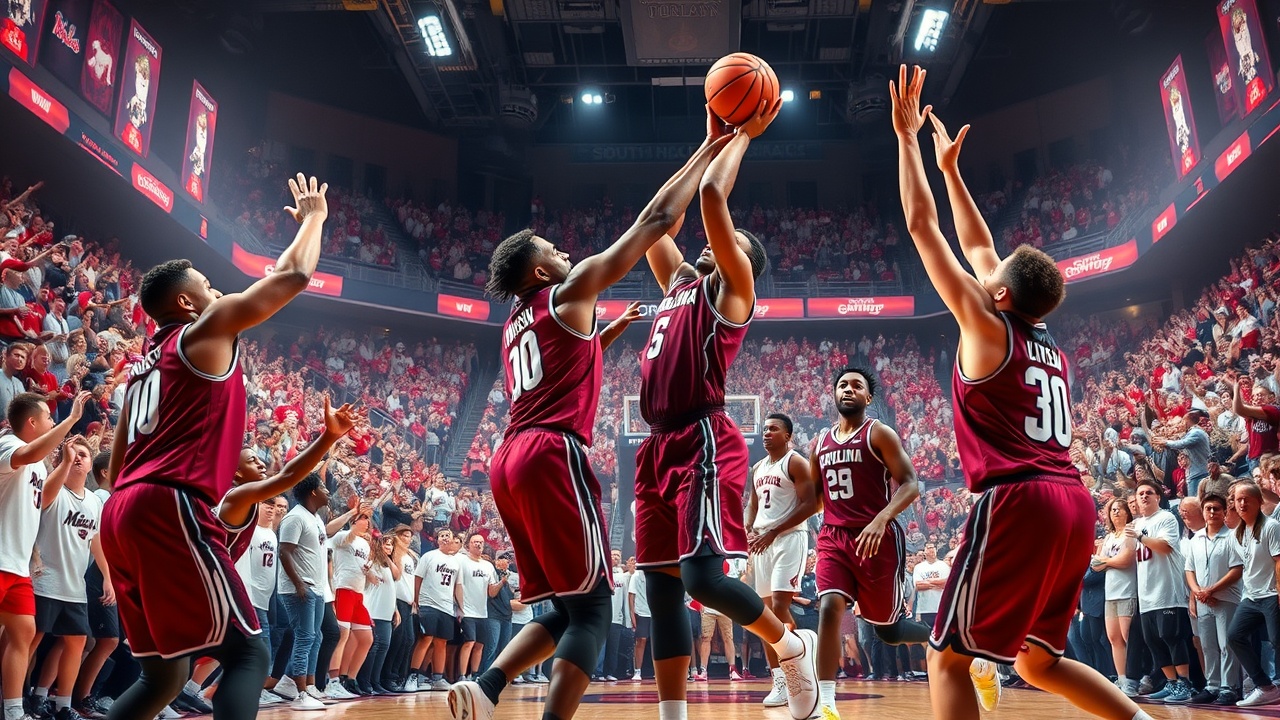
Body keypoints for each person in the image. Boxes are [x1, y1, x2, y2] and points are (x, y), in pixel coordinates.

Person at [447, 118, 734, 720]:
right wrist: (709, 145)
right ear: (540, 273)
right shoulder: (569, 290)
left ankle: (487, 686)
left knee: (566, 605)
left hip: (507, 458)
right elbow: (657, 221)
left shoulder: (516, 322)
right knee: (596, 612)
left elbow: (560, 367)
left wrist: (608, 334)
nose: (565, 253)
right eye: (553, 252)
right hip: (550, 453)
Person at [890, 65, 1147, 720]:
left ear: (999, 292)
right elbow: (978, 243)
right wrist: (951, 172)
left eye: (992, 273)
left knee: (946, 659)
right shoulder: (1040, 333)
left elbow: (922, 227)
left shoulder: (986, 327)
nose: (984, 266)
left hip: (1020, 499)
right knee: (1038, 660)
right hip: (1073, 502)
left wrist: (905, 139)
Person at [99, 173, 329, 720]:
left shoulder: (141, 369)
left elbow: (114, 468)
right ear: (187, 302)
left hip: (121, 511)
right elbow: (294, 275)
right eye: (207, 284)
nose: (218, 290)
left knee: (164, 675)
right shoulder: (203, 330)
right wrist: (315, 217)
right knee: (248, 652)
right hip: (168, 503)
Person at [635, 100, 819, 720]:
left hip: (703, 438)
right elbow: (654, 224)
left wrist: (740, 136)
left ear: (741, 261)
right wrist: (705, 144)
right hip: (656, 443)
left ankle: (790, 645)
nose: (711, 244)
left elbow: (713, 198)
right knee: (662, 590)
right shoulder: (679, 283)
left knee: (703, 580)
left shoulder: (734, 292)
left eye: (727, 242)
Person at [810, 367, 931, 719]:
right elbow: (816, 500)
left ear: (868, 396)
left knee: (889, 632)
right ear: (834, 394)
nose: (848, 389)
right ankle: (826, 703)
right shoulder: (820, 442)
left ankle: (943, 635)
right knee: (829, 607)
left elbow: (910, 483)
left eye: (856, 385)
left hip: (876, 539)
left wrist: (882, 518)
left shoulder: (879, 433)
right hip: (834, 537)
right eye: (842, 385)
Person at [0, 391, 89, 720]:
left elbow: (44, 500)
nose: (53, 422)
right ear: (32, 422)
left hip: (18, 566)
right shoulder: (8, 444)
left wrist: (64, 463)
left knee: (23, 633)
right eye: (49, 418)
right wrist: (72, 418)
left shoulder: (37, 463)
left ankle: (13, 711)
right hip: (1, 559)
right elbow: (29, 453)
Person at [29, 436, 108, 720]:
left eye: (83, 455)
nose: (77, 458)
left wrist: (107, 577)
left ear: (90, 464)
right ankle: (23, 698)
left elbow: (96, 541)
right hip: (44, 581)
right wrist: (64, 459)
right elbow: (46, 497)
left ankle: (63, 705)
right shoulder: (53, 489)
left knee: (77, 644)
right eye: (72, 454)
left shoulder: (94, 502)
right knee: (29, 643)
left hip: (75, 587)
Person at [745, 413, 817, 706]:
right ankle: (780, 680)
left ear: (788, 436)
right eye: (765, 429)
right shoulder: (758, 467)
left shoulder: (796, 462)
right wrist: (749, 528)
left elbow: (811, 504)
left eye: (773, 429)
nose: (766, 433)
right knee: (764, 615)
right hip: (763, 541)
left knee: (778, 606)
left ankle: (798, 671)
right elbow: (752, 505)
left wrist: (774, 531)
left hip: (789, 538)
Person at [1128, 479, 1193, 702]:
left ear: (1158, 497)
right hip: (1146, 593)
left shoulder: (1166, 518)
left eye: (1149, 492)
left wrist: (1139, 536)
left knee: (1172, 637)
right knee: (1153, 641)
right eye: (1140, 494)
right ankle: (1171, 683)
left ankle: (1185, 684)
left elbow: (1164, 547)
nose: (1144, 496)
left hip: (1167, 590)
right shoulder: (1136, 524)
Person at [1184, 493, 1242, 705]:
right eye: (1208, 508)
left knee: (1226, 644)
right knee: (1208, 645)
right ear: (1202, 512)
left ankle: (1229, 687)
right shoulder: (1196, 539)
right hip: (1203, 600)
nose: (1212, 512)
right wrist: (1198, 591)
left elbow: (1237, 569)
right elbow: (1189, 569)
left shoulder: (1232, 537)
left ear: (1224, 511)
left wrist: (1211, 590)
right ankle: (1212, 686)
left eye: (1216, 508)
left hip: (1226, 598)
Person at [1227, 482, 1280, 707]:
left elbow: (1279, 561)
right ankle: (1266, 687)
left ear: (1259, 501)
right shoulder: (1236, 534)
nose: (1242, 503)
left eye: (1246, 499)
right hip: (1250, 597)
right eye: (1238, 499)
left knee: (1277, 640)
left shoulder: (1271, 526)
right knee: (1234, 636)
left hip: (1272, 594)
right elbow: (1243, 567)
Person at [1091, 497, 1138, 695]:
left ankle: (1135, 679)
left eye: (1120, 509)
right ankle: (1122, 678)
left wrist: (1106, 561)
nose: (1116, 512)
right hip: (1110, 594)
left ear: (1128, 512)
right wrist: (1110, 561)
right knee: (1114, 638)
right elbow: (1095, 565)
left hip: (1128, 591)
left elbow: (1126, 560)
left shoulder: (1130, 532)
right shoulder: (1109, 537)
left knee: (1129, 637)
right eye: (1113, 510)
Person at [411, 527, 463, 692]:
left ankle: (437, 679)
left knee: (442, 642)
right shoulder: (429, 556)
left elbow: (457, 586)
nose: (445, 537)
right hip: (428, 604)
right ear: (437, 540)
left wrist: (461, 608)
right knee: (426, 639)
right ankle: (413, 677)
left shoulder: (456, 563)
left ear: (453, 540)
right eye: (442, 535)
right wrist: (416, 600)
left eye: (448, 535)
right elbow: (417, 578)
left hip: (446, 607)